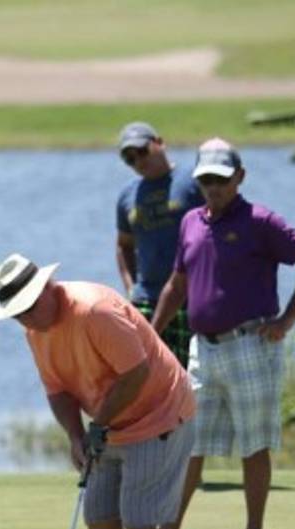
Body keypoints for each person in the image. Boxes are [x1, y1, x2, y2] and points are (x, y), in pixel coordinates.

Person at [0, 253, 195, 529]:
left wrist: (99, 423)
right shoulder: (36, 331)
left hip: (159, 414)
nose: (26, 319)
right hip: (110, 423)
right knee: (98, 514)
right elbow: (57, 390)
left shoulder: (94, 311)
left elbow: (136, 374)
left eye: (29, 307)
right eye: (17, 314)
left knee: (138, 518)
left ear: (48, 289)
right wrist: (76, 436)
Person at [152, 138, 295, 529]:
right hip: (203, 350)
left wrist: (286, 320)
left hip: (251, 344)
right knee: (188, 442)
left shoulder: (259, 220)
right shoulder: (192, 221)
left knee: (254, 445)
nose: (213, 186)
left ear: (239, 178)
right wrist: (151, 336)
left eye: (221, 179)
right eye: (206, 179)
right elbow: (178, 284)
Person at [114, 121, 204, 369]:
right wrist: (131, 287)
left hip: (190, 295)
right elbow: (123, 245)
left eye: (142, 151)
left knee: (190, 374)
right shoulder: (127, 196)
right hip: (147, 298)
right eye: (129, 158)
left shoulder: (193, 182)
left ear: (159, 143)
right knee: (147, 373)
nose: (138, 161)